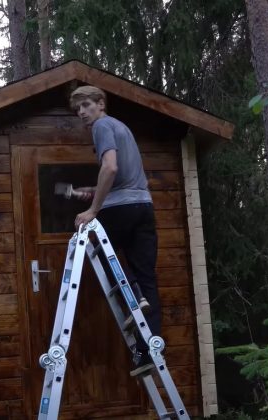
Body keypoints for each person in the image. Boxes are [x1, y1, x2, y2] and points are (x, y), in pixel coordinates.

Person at [70, 85, 161, 368]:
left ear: (100, 103)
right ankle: (149, 353)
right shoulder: (122, 127)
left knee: (98, 250)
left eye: (86, 105)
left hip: (120, 209)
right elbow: (120, 178)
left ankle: (132, 294)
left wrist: (93, 208)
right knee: (147, 278)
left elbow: (110, 168)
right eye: (78, 109)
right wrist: (94, 190)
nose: (82, 113)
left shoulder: (102, 126)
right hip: (143, 207)